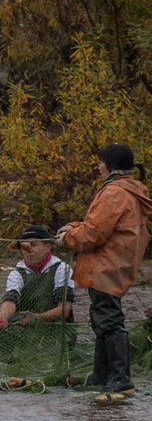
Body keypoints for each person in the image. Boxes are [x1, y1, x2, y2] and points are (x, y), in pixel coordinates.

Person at [56, 143, 152, 397]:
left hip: (106, 266)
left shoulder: (114, 193)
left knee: (109, 321)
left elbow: (94, 234)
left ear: (110, 165)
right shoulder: (129, 190)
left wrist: (67, 238)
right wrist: (72, 228)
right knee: (103, 319)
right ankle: (101, 374)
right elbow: (97, 225)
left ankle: (121, 379)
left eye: (101, 162)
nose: (98, 167)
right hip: (118, 263)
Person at [0, 225, 74, 328]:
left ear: (47, 247)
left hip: (56, 328)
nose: (28, 249)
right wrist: (2, 319)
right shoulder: (17, 273)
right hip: (24, 326)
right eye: (24, 246)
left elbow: (64, 310)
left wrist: (37, 318)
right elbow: (10, 301)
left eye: (34, 245)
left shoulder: (61, 269)